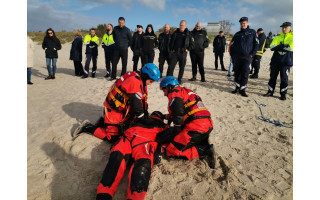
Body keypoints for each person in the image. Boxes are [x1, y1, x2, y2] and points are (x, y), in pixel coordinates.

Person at [73, 63, 161, 143]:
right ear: (146, 76)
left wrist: (145, 113)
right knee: (114, 138)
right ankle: (87, 127)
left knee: (127, 128)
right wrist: (144, 119)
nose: (150, 84)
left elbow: (141, 100)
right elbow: (136, 106)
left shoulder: (139, 79)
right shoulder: (134, 81)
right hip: (113, 112)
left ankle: (102, 122)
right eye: (151, 81)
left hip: (121, 111)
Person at [96, 111, 167, 200]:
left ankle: (103, 194)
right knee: (142, 167)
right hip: (144, 142)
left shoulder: (138, 118)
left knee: (116, 159)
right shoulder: (162, 126)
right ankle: (134, 197)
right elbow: (169, 137)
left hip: (128, 138)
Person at [157, 76, 216, 169]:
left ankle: (205, 150)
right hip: (207, 125)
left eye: (164, 91)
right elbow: (185, 111)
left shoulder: (174, 93)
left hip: (196, 128)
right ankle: (202, 141)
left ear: (169, 87)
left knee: (171, 151)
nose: (164, 94)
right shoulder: (186, 92)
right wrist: (165, 116)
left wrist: (175, 134)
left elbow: (179, 115)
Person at [230, 17, 259, 97]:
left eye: (244, 23)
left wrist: (252, 54)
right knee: (237, 73)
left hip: (247, 57)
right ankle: (237, 88)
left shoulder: (252, 32)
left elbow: (256, 44)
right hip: (237, 58)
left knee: (245, 73)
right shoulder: (237, 34)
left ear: (247, 23)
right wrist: (233, 56)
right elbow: (232, 46)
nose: (242, 24)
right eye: (241, 23)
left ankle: (242, 89)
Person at [264, 22, 293, 101]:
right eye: (282, 27)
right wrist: (284, 46)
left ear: (290, 27)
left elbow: (291, 48)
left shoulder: (293, 36)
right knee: (272, 77)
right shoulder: (277, 37)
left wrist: (279, 46)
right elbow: (272, 47)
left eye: (285, 27)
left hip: (286, 62)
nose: (283, 29)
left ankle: (283, 94)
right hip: (275, 61)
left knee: (284, 78)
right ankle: (270, 91)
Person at [167, 20, 194, 84]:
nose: (181, 26)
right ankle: (169, 78)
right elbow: (171, 42)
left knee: (181, 67)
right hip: (175, 52)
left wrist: (188, 49)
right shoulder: (175, 32)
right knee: (171, 66)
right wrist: (171, 49)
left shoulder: (188, 34)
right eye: (180, 25)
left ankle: (179, 79)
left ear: (185, 26)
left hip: (183, 53)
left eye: (183, 25)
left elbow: (192, 44)